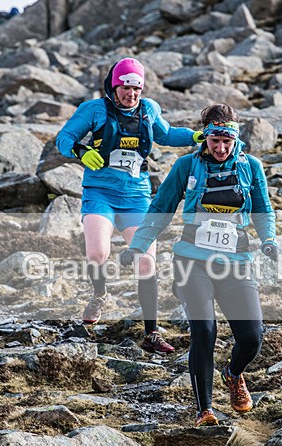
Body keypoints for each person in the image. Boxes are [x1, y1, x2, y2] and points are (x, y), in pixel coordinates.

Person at [124, 103, 279, 427]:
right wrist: (138, 246)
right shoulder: (186, 166)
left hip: (236, 262)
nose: (221, 149)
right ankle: (204, 410)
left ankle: (233, 374)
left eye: (227, 142)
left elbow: (263, 209)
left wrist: (269, 240)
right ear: (205, 138)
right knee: (204, 331)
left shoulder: (250, 166)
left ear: (235, 138)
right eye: (214, 142)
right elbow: (160, 208)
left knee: (252, 337)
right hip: (192, 262)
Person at [56, 57, 200, 354]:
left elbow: (166, 134)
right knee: (98, 252)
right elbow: (64, 138)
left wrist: (195, 136)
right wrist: (81, 151)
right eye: (125, 87)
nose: (131, 94)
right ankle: (99, 294)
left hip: (136, 195)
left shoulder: (148, 110)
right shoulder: (93, 110)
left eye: (136, 88)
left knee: (146, 261)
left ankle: (152, 333)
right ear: (114, 86)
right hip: (100, 193)